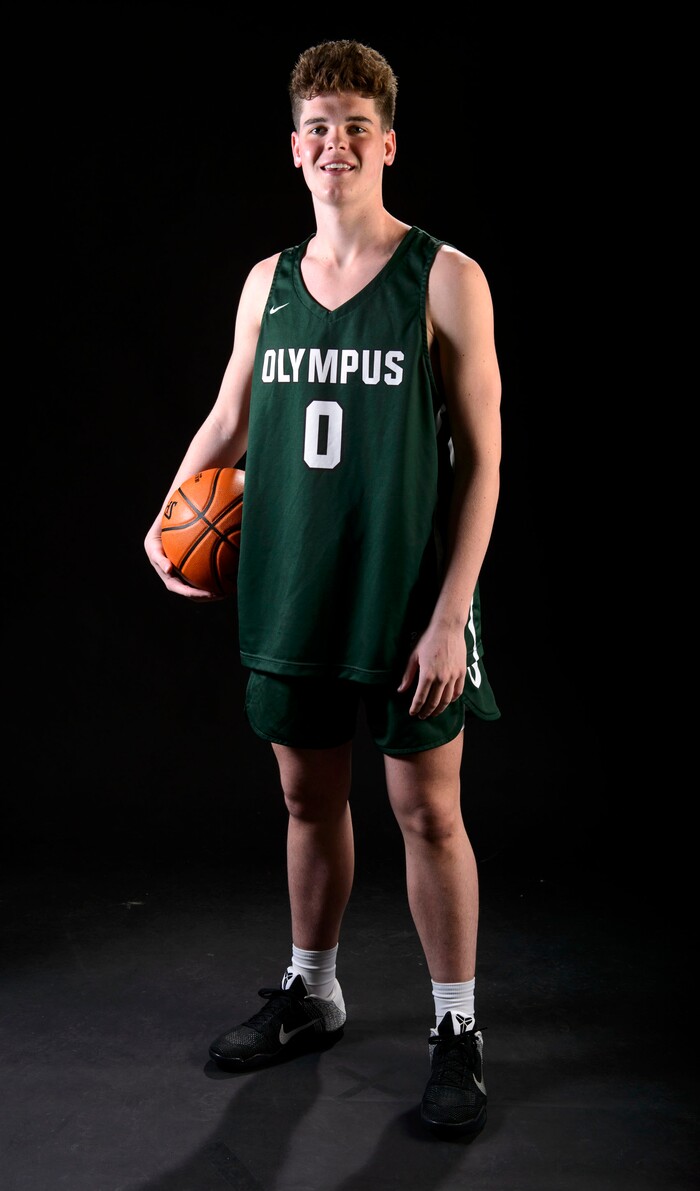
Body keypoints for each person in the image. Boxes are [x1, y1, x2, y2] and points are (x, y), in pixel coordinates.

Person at [144, 38, 501, 1138]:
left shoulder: (442, 275)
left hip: (405, 596)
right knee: (307, 800)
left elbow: (485, 456)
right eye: (315, 125)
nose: (332, 142)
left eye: (354, 124)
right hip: (293, 584)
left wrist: (451, 616)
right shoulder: (268, 284)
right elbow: (227, 420)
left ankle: (455, 1031)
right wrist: (167, 516)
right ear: (294, 150)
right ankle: (315, 989)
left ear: (387, 144)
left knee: (425, 813)